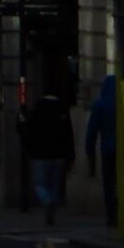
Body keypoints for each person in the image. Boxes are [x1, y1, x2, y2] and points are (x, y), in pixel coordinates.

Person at [21, 86, 76, 226]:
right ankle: (52, 206)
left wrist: (29, 150)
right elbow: (69, 136)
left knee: (39, 184)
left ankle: (46, 201)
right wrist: (70, 156)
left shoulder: (36, 112)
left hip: (40, 155)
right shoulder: (62, 112)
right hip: (58, 156)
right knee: (55, 185)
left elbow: (27, 133)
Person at [85, 73, 119, 216]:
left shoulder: (100, 105)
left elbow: (91, 131)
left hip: (108, 149)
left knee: (109, 183)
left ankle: (112, 214)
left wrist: (89, 151)